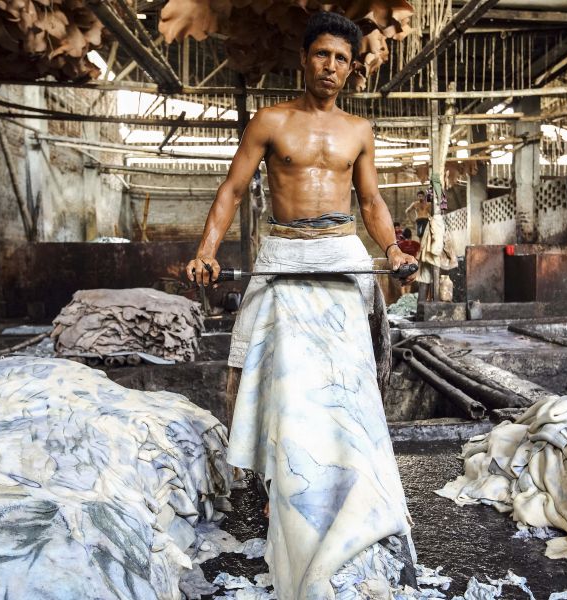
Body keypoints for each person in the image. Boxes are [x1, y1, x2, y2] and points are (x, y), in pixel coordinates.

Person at [185, 11, 417, 600]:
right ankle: (283, 490)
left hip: (341, 255)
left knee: (346, 384)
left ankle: (349, 490)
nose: (331, 67)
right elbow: (233, 189)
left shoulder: (358, 130)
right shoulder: (270, 122)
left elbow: (371, 201)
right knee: (283, 382)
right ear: (304, 58)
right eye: (322, 55)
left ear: (351, 67)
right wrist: (207, 251)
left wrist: (393, 248)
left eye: (342, 59)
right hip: (284, 254)